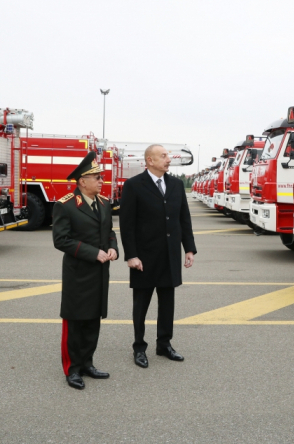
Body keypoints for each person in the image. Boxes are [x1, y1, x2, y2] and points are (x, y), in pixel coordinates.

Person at [119, 144, 196, 368]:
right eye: (163, 156)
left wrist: (188, 248)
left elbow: (184, 219)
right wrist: (131, 255)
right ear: (149, 160)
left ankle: (164, 344)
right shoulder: (134, 185)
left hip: (169, 256)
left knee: (167, 303)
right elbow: (127, 225)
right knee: (141, 305)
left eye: (168, 156)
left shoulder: (176, 184)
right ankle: (139, 347)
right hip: (144, 258)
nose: (168, 159)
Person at [52, 151, 118, 390]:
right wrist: (92, 253)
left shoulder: (104, 204)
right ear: (82, 181)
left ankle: (87, 363)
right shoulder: (66, 205)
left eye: (101, 177)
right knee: (75, 321)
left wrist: (113, 248)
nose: (102, 181)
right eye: (97, 177)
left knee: (93, 320)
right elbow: (61, 240)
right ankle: (72, 369)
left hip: (100, 273)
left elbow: (109, 232)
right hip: (78, 273)